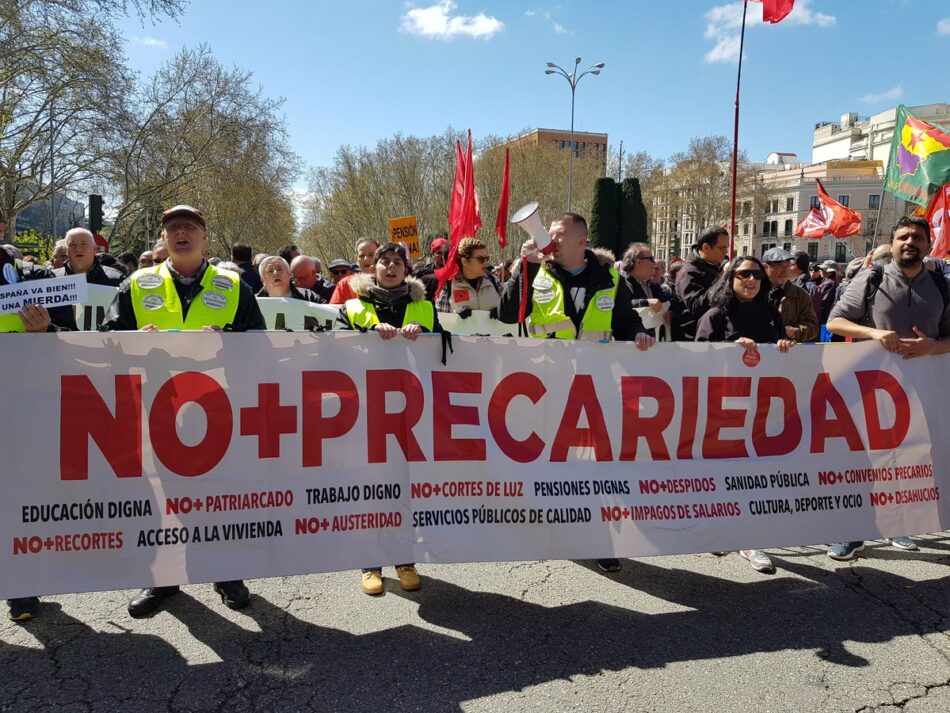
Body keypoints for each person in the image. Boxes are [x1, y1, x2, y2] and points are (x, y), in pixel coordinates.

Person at [100, 204, 264, 617]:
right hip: (155, 408)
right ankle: (163, 580)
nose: (181, 233)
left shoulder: (233, 286)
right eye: (173, 228)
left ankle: (226, 573)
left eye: (189, 227)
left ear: (205, 238)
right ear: (164, 240)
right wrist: (135, 339)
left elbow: (260, 345)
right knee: (162, 498)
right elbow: (107, 341)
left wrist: (227, 341)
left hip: (217, 411)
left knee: (219, 496)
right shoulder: (137, 284)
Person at [498, 212, 654, 574]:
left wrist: (639, 333)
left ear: (581, 241)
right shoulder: (537, 271)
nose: (548, 240)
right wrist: (524, 268)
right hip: (545, 386)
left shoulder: (608, 276)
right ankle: (553, 532)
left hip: (592, 387)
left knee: (596, 467)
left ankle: (601, 540)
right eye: (546, 233)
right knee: (547, 464)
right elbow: (507, 315)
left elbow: (624, 320)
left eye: (556, 234)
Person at [825, 216, 950, 560]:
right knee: (864, 461)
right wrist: (875, 333)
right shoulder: (872, 278)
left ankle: (900, 526)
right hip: (870, 387)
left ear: (928, 245)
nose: (910, 242)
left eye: (917, 237)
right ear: (892, 243)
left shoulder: (942, 286)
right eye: (903, 236)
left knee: (911, 459)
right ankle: (852, 532)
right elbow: (834, 320)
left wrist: (932, 347)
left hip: (923, 388)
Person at [336, 242, 440, 596]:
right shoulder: (353, 305)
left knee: (403, 484)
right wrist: (369, 334)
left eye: (398, 262)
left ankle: (404, 559)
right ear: (373, 268)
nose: (391, 267)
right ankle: (370, 564)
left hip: (410, 408)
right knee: (369, 485)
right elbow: (332, 349)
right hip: (364, 407)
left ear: (406, 269)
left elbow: (443, 346)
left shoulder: (423, 307)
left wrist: (422, 335)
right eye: (385, 262)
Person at [695, 255, 794, 573]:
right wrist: (729, 347)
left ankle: (750, 541)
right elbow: (693, 361)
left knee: (753, 476)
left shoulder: (769, 313)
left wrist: (783, 348)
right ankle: (719, 531)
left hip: (760, 410)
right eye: (743, 274)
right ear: (731, 279)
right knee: (722, 476)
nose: (751, 279)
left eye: (756, 274)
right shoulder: (715, 315)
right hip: (722, 411)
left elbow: (778, 359)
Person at [0, 246, 77, 621]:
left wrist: (45, 331)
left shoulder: (39, 281)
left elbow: (76, 342)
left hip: (21, 410)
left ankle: (21, 592)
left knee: (16, 500)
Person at [674, 226, 729, 340]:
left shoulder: (716, 266)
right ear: (706, 247)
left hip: (719, 330)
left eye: (726, 248)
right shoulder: (688, 273)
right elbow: (698, 308)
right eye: (722, 248)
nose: (726, 252)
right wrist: (724, 278)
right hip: (696, 338)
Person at [761, 247, 819, 343]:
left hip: (785, 352)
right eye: (779, 266)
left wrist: (794, 332)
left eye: (787, 266)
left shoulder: (802, 295)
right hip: (754, 351)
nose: (785, 271)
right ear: (765, 267)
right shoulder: (753, 290)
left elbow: (813, 328)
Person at [620, 243, 673, 339]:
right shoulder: (623, 284)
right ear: (639, 262)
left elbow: (669, 301)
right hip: (632, 344)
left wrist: (671, 312)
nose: (654, 263)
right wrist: (646, 302)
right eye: (651, 259)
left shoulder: (653, 286)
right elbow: (621, 306)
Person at [435, 237, 501, 314]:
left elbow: (511, 313)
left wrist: (502, 313)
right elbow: (440, 320)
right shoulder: (449, 285)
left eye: (487, 258)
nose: (485, 263)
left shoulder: (494, 281)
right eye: (480, 259)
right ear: (465, 261)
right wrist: (456, 316)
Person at [53, 228, 124, 286]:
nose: (78, 249)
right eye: (72, 245)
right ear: (66, 251)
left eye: (84, 244)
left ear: (94, 249)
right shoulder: (53, 279)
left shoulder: (117, 280)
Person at [329, 238, 380, 304]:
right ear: (356, 259)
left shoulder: (390, 281)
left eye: (371, 255)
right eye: (361, 256)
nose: (366, 259)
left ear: (379, 256)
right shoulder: (345, 284)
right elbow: (334, 311)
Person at [257, 255, 322, 302]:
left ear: (289, 275)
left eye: (279, 269)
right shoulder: (253, 303)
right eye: (270, 271)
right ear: (262, 279)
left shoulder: (310, 297)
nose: (275, 273)